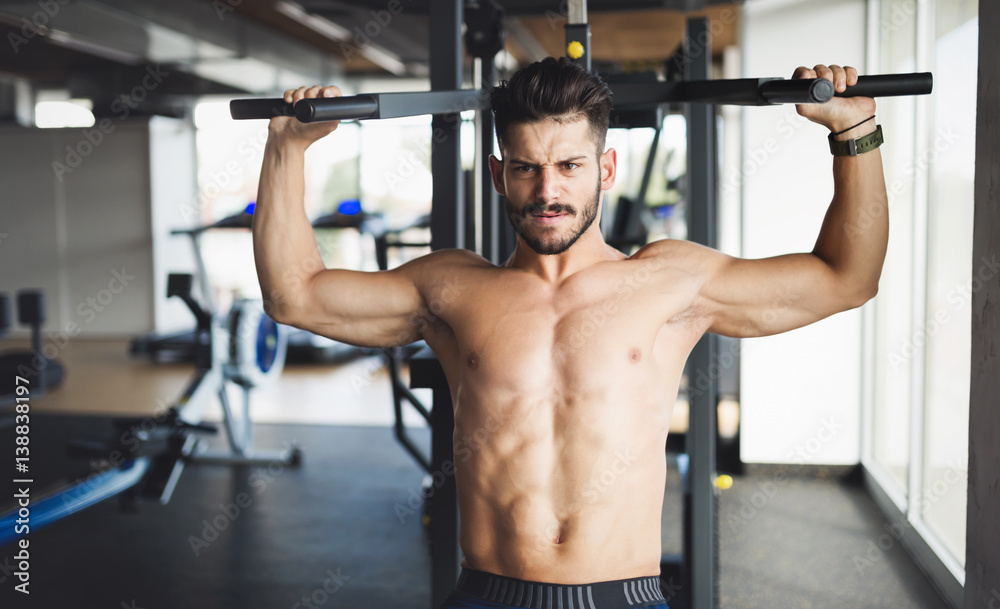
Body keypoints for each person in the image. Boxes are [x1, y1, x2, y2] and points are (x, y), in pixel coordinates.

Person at [252, 57, 886, 609]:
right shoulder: (450, 289)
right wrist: (286, 147)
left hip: (624, 597)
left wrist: (855, 132)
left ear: (606, 168)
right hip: (487, 595)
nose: (547, 191)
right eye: (526, 168)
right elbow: (294, 295)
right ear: (499, 175)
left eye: (569, 166)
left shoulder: (670, 282)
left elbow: (844, 279)